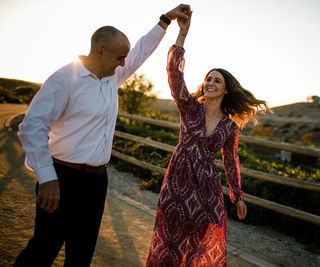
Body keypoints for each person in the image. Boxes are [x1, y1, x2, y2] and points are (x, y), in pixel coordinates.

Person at [14, 4, 191, 267]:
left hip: (97, 182)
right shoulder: (64, 79)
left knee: (81, 254)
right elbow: (32, 127)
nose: (123, 64)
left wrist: (165, 20)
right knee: (43, 250)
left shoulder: (111, 76)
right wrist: (47, 178)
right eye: (120, 57)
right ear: (99, 51)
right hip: (62, 177)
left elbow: (141, 50)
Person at [146, 11, 270, 267]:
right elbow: (174, 73)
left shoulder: (230, 126)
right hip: (178, 182)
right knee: (170, 240)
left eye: (217, 80)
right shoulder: (189, 107)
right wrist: (182, 33)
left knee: (201, 241)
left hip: (207, 187)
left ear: (226, 88)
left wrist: (237, 196)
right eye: (208, 79)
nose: (211, 83)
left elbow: (230, 160)